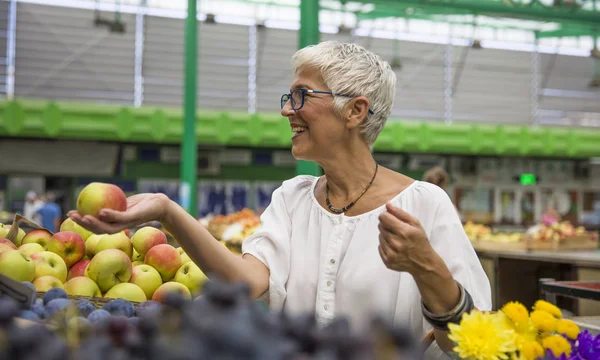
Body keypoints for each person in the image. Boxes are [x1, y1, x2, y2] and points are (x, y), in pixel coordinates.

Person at [68, 41, 491, 357]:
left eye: (302, 95)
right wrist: (167, 211)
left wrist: (428, 269)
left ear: (355, 112)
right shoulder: (293, 199)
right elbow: (248, 282)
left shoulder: (423, 206)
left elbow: (474, 343)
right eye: (289, 97)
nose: (288, 110)